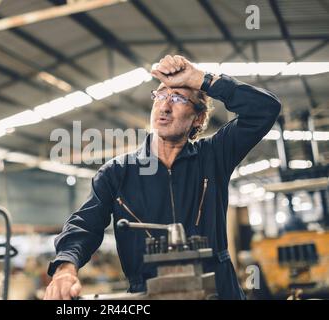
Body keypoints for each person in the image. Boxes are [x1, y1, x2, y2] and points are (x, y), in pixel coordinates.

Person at [43, 54, 281, 300]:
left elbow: (265, 109)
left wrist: (201, 79)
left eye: (178, 98)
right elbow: (84, 225)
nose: (165, 106)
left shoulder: (213, 156)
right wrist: (65, 269)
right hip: (149, 296)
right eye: (160, 96)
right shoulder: (117, 172)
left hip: (217, 292)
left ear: (197, 118)